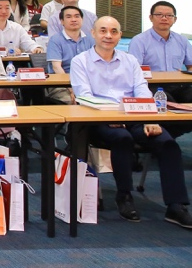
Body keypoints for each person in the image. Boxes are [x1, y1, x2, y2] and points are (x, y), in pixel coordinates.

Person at [70, 16, 192, 228]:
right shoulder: (80, 61)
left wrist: (149, 118)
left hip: (134, 116)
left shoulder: (130, 60)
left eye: (114, 31)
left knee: (167, 143)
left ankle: (176, 205)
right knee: (122, 139)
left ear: (120, 35)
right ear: (93, 33)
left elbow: (143, 91)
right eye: (103, 31)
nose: (108, 36)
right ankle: (124, 195)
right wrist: (113, 115)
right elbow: (84, 96)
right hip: (99, 118)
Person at [127, 1, 192, 103]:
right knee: (167, 102)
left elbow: (190, 65)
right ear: (151, 18)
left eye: (169, 15)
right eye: (159, 15)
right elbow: (134, 70)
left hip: (180, 85)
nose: (164, 18)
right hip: (152, 85)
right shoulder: (139, 41)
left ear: (175, 19)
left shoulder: (182, 40)